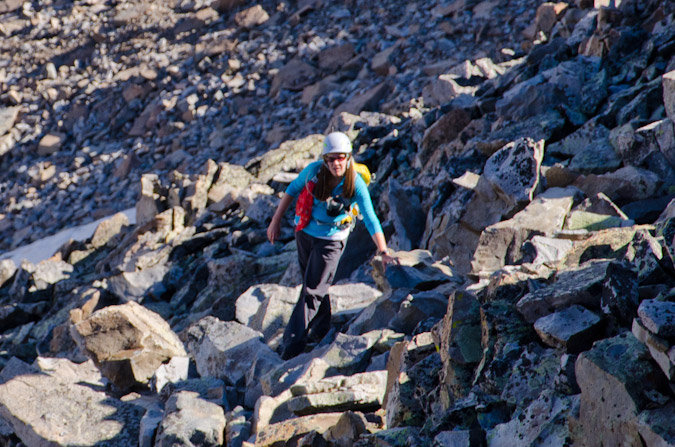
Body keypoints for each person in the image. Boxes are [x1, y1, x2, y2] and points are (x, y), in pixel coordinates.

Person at [267, 131, 396, 360]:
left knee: (312, 290)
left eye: (341, 157)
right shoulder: (313, 172)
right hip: (305, 232)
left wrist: (383, 250)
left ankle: (291, 346)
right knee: (315, 282)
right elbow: (291, 190)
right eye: (331, 158)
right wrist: (275, 221)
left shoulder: (355, 182)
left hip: (332, 240)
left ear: (348, 157)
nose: (336, 163)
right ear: (325, 160)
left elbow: (370, 217)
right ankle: (321, 329)